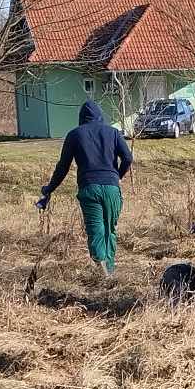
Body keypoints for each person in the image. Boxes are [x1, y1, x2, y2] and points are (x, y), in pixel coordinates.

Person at [38, 98, 134, 276]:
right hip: (112, 189)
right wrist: (117, 176)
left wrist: (49, 188)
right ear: (100, 116)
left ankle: (103, 271)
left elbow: (63, 167)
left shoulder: (75, 135)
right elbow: (128, 158)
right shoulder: (113, 132)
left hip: (89, 188)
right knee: (109, 230)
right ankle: (109, 272)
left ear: (81, 118)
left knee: (96, 230)